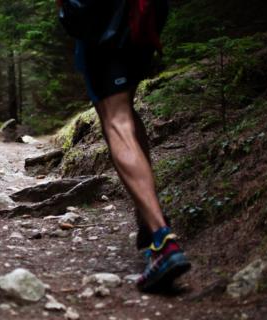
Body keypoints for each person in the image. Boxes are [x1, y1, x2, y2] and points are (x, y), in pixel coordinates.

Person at [58, 0, 191, 291]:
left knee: (115, 119)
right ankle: (148, 219)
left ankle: (162, 239)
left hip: (106, 17)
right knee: (125, 111)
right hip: (146, 11)